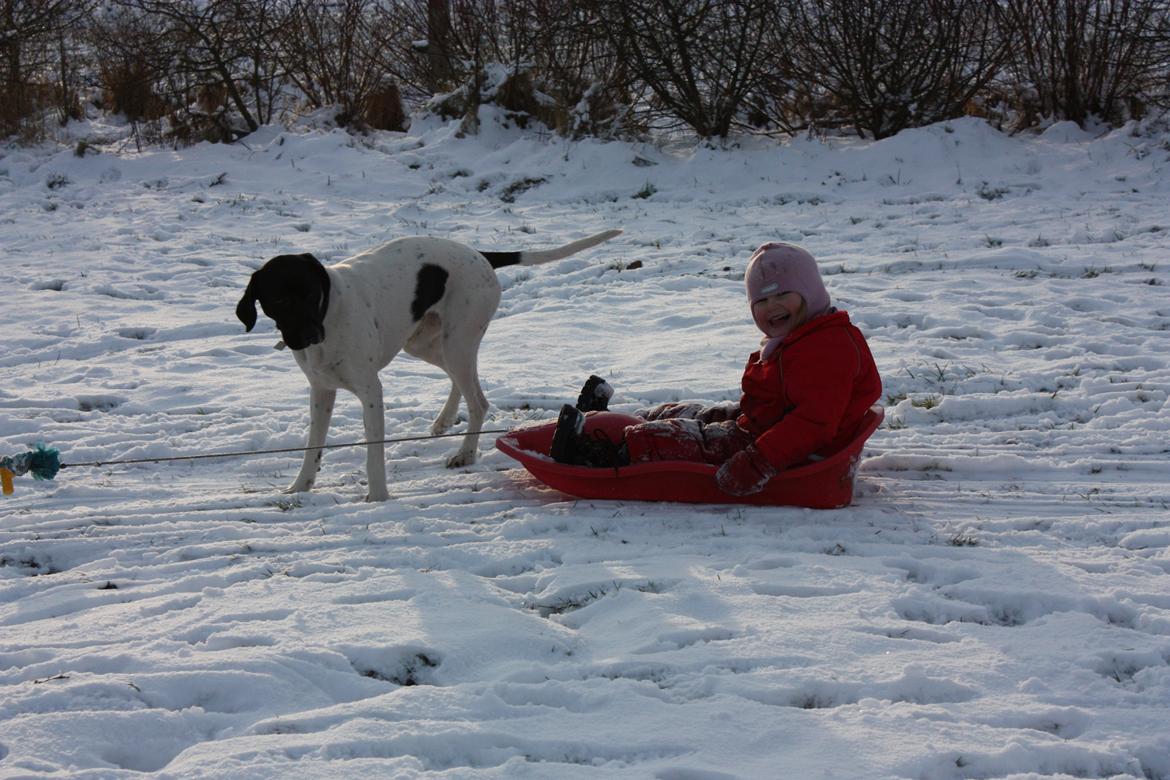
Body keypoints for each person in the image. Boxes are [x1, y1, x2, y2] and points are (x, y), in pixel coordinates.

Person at [549, 242, 882, 497]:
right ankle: (613, 423)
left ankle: (599, 453)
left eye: (783, 294)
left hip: (791, 451)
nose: (772, 306)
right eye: (762, 301)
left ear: (811, 293)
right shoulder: (803, 337)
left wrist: (758, 461)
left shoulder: (827, 348)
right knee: (689, 413)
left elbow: (813, 424)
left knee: (689, 441)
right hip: (767, 425)